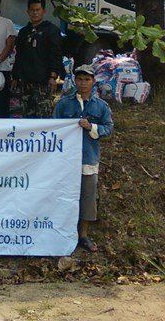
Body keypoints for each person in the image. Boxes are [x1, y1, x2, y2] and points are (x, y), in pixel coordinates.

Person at [54, 65, 113, 253]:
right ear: (75, 81)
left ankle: (83, 235)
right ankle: (62, 231)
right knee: (63, 196)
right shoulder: (64, 104)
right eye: (80, 79)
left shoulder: (100, 106)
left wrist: (91, 127)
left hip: (88, 158)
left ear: (93, 81)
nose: (83, 83)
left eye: (87, 79)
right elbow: (54, 128)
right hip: (65, 160)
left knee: (87, 197)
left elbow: (108, 128)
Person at [11, 0, 63, 118]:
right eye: (32, 10)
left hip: (44, 80)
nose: (35, 13)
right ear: (28, 12)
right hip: (26, 81)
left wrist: (53, 76)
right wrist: (15, 76)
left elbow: (56, 54)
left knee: (43, 116)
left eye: (37, 10)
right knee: (27, 116)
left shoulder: (51, 30)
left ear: (43, 11)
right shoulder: (24, 32)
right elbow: (19, 55)